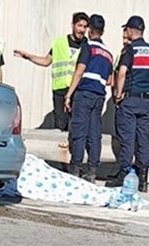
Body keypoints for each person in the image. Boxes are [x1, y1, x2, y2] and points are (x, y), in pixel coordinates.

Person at [107, 16, 149, 192]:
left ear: (131, 31)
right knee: (143, 140)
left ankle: (124, 173)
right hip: (147, 101)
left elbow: (122, 72)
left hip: (130, 100)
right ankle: (144, 178)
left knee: (127, 138)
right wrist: (147, 86)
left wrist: (118, 94)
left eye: (126, 30)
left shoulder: (130, 50)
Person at [13, 12, 88, 132]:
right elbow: (46, 61)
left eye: (85, 27)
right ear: (72, 25)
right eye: (79, 25)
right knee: (60, 125)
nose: (82, 30)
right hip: (59, 89)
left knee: (76, 125)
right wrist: (28, 56)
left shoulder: (87, 45)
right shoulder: (59, 42)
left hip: (78, 90)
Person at [63, 14, 113, 182]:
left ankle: (75, 169)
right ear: (103, 31)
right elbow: (110, 80)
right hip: (99, 96)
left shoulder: (88, 47)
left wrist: (69, 95)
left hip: (84, 93)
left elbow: (79, 71)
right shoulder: (108, 53)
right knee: (94, 134)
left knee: (79, 132)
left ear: (90, 29)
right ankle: (91, 171)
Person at [110, 28, 132, 163]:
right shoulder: (121, 55)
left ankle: (125, 169)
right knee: (120, 136)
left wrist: (119, 95)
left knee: (126, 138)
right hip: (118, 102)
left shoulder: (131, 54)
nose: (125, 41)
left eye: (127, 39)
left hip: (125, 101)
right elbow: (115, 74)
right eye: (123, 38)